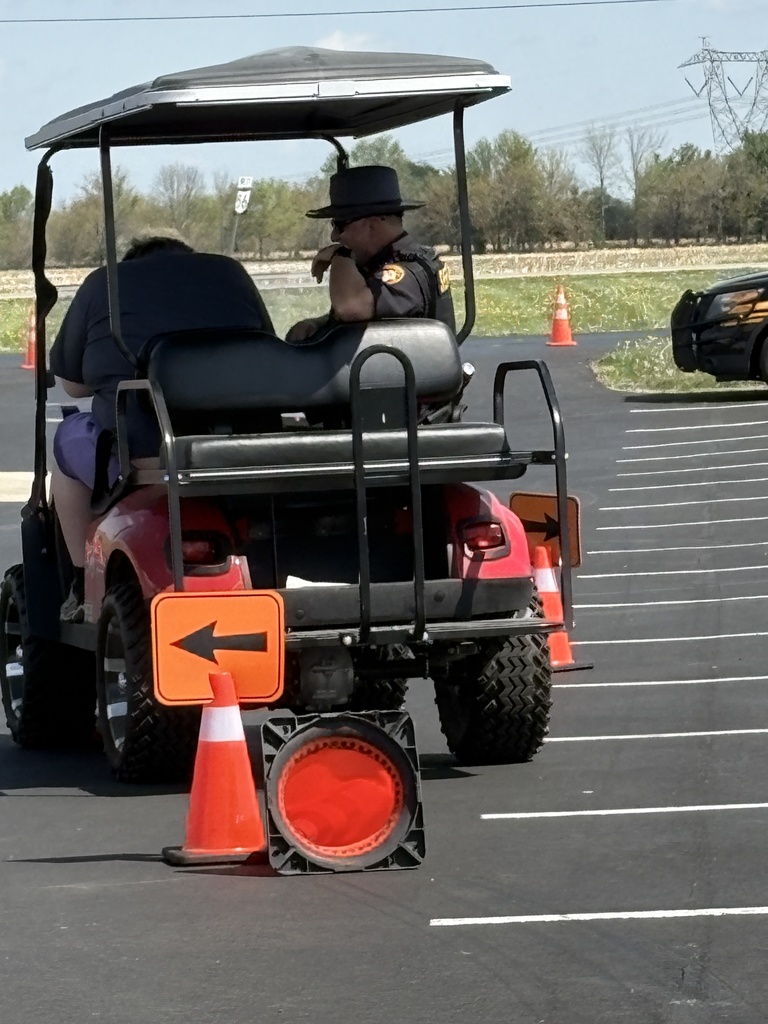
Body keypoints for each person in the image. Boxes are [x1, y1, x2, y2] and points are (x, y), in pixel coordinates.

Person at [49, 235, 273, 621]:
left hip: (140, 450)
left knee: (66, 443)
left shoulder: (103, 283)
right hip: (234, 445)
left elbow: (73, 383)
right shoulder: (230, 273)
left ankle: (79, 578)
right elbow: (266, 348)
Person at [286, 165, 455, 343]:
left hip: (408, 370)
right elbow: (374, 319)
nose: (334, 236)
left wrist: (340, 254)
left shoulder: (409, 272)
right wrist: (320, 324)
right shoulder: (376, 263)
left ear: (371, 224)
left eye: (339, 225)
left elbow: (351, 308)